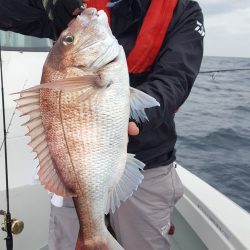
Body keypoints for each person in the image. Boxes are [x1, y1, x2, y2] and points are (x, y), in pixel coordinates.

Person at [0, 0, 204, 249]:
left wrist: (137, 116)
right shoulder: (78, 9)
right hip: (75, 171)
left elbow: (176, 78)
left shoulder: (182, 10)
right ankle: (91, 233)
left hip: (148, 161)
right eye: (69, 40)